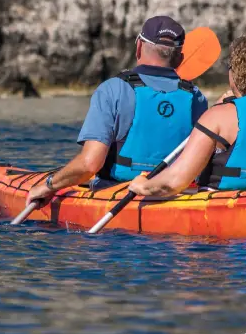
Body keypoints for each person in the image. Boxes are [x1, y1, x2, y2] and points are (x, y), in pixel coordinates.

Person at [26, 16, 208, 207]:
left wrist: (47, 186)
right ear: (179, 57)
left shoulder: (113, 89)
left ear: (138, 46)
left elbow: (89, 165)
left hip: (116, 194)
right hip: (177, 196)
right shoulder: (196, 97)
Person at [129, 35, 246, 197]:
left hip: (223, 210)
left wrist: (143, 186)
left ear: (237, 73)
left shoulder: (217, 116)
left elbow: (173, 183)